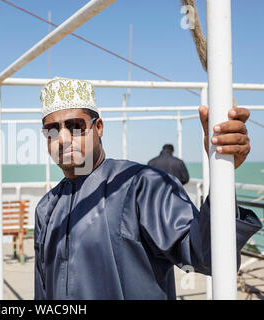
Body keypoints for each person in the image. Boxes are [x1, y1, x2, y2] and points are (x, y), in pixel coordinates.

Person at [34, 77, 262, 300]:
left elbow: (207, 257)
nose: (62, 138)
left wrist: (222, 167)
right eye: (52, 130)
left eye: (75, 126)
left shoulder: (143, 186)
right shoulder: (46, 208)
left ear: (99, 127)